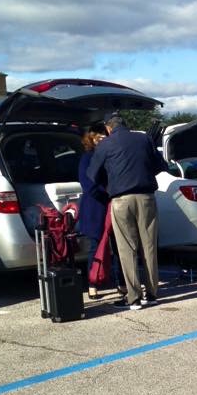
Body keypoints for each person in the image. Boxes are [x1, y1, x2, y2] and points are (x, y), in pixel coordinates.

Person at [87, 114, 167, 311]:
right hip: (146, 197)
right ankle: (152, 293)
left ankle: (134, 298)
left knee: (127, 248)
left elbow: (92, 175)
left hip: (121, 200)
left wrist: (111, 181)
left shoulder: (105, 145)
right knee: (149, 246)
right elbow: (160, 165)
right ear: (126, 125)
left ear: (108, 128)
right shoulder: (144, 139)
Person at [77, 122, 123, 299]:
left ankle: (121, 282)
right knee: (96, 246)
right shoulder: (87, 157)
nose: (101, 139)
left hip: (113, 204)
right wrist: (107, 193)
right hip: (96, 206)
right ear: (91, 137)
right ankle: (92, 283)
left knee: (119, 245)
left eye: (104, 136)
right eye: (98, 136)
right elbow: (87, 183)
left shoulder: (112, 155)